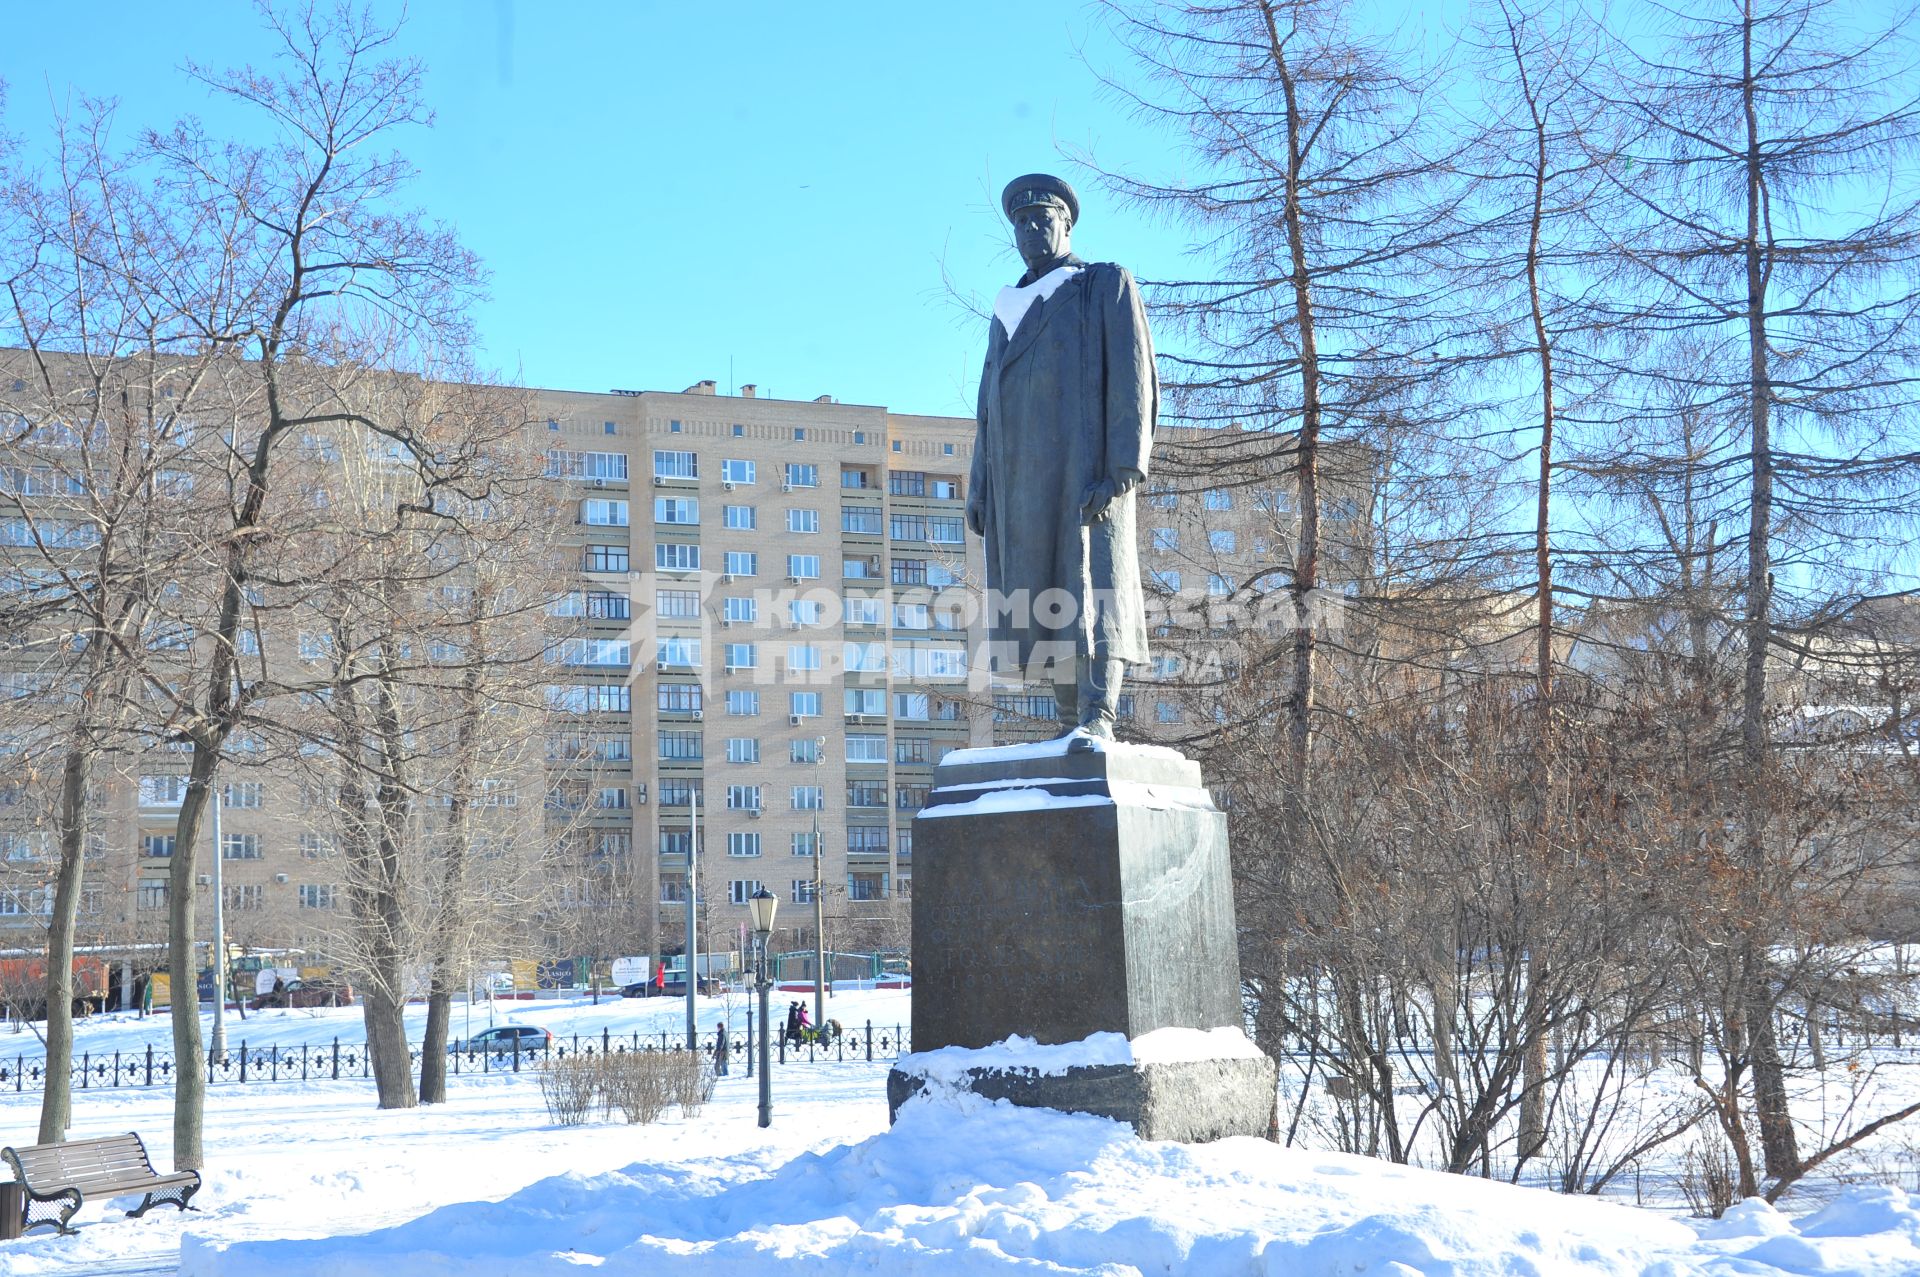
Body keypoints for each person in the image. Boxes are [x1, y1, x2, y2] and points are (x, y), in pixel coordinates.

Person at [971, 173, 1158, 752]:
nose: (1031, 230)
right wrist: (982, 488)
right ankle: (1067, 715)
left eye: (1042, 218)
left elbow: (1135, 379)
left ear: (1066, 224)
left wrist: (1122, 469)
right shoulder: (1007, 307)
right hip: (1023, 482)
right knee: (1042, 590)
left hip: (1085, 474)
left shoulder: (1101, 285)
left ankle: (1098, 711)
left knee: (1095, 590)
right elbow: (987, 406)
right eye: (1021, 223)